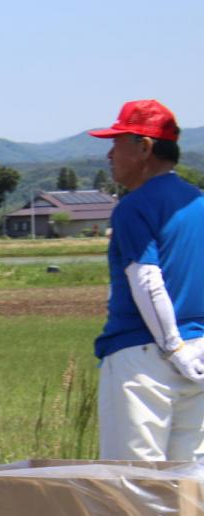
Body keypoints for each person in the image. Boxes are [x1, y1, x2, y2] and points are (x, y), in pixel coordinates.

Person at [90, 99, 204, 460]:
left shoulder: (133, 207)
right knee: (191, 481)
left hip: (143, 356)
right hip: (199, 352)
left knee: (133, 482)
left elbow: (147, 280)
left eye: (117, 142)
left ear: (144, 148)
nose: (110, 154)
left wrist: (172, 347)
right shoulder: (198, 202)